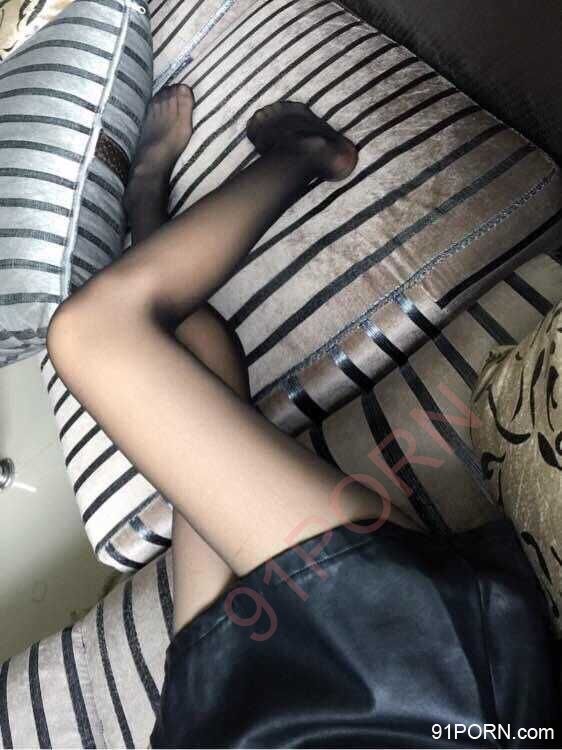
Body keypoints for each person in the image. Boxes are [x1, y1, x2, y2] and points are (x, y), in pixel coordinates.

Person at [47, 85, 558, 748]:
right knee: (92, 333)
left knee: (195, 352)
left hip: (213, 730)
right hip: (408, 706)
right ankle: (303, 153)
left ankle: (149, 204)